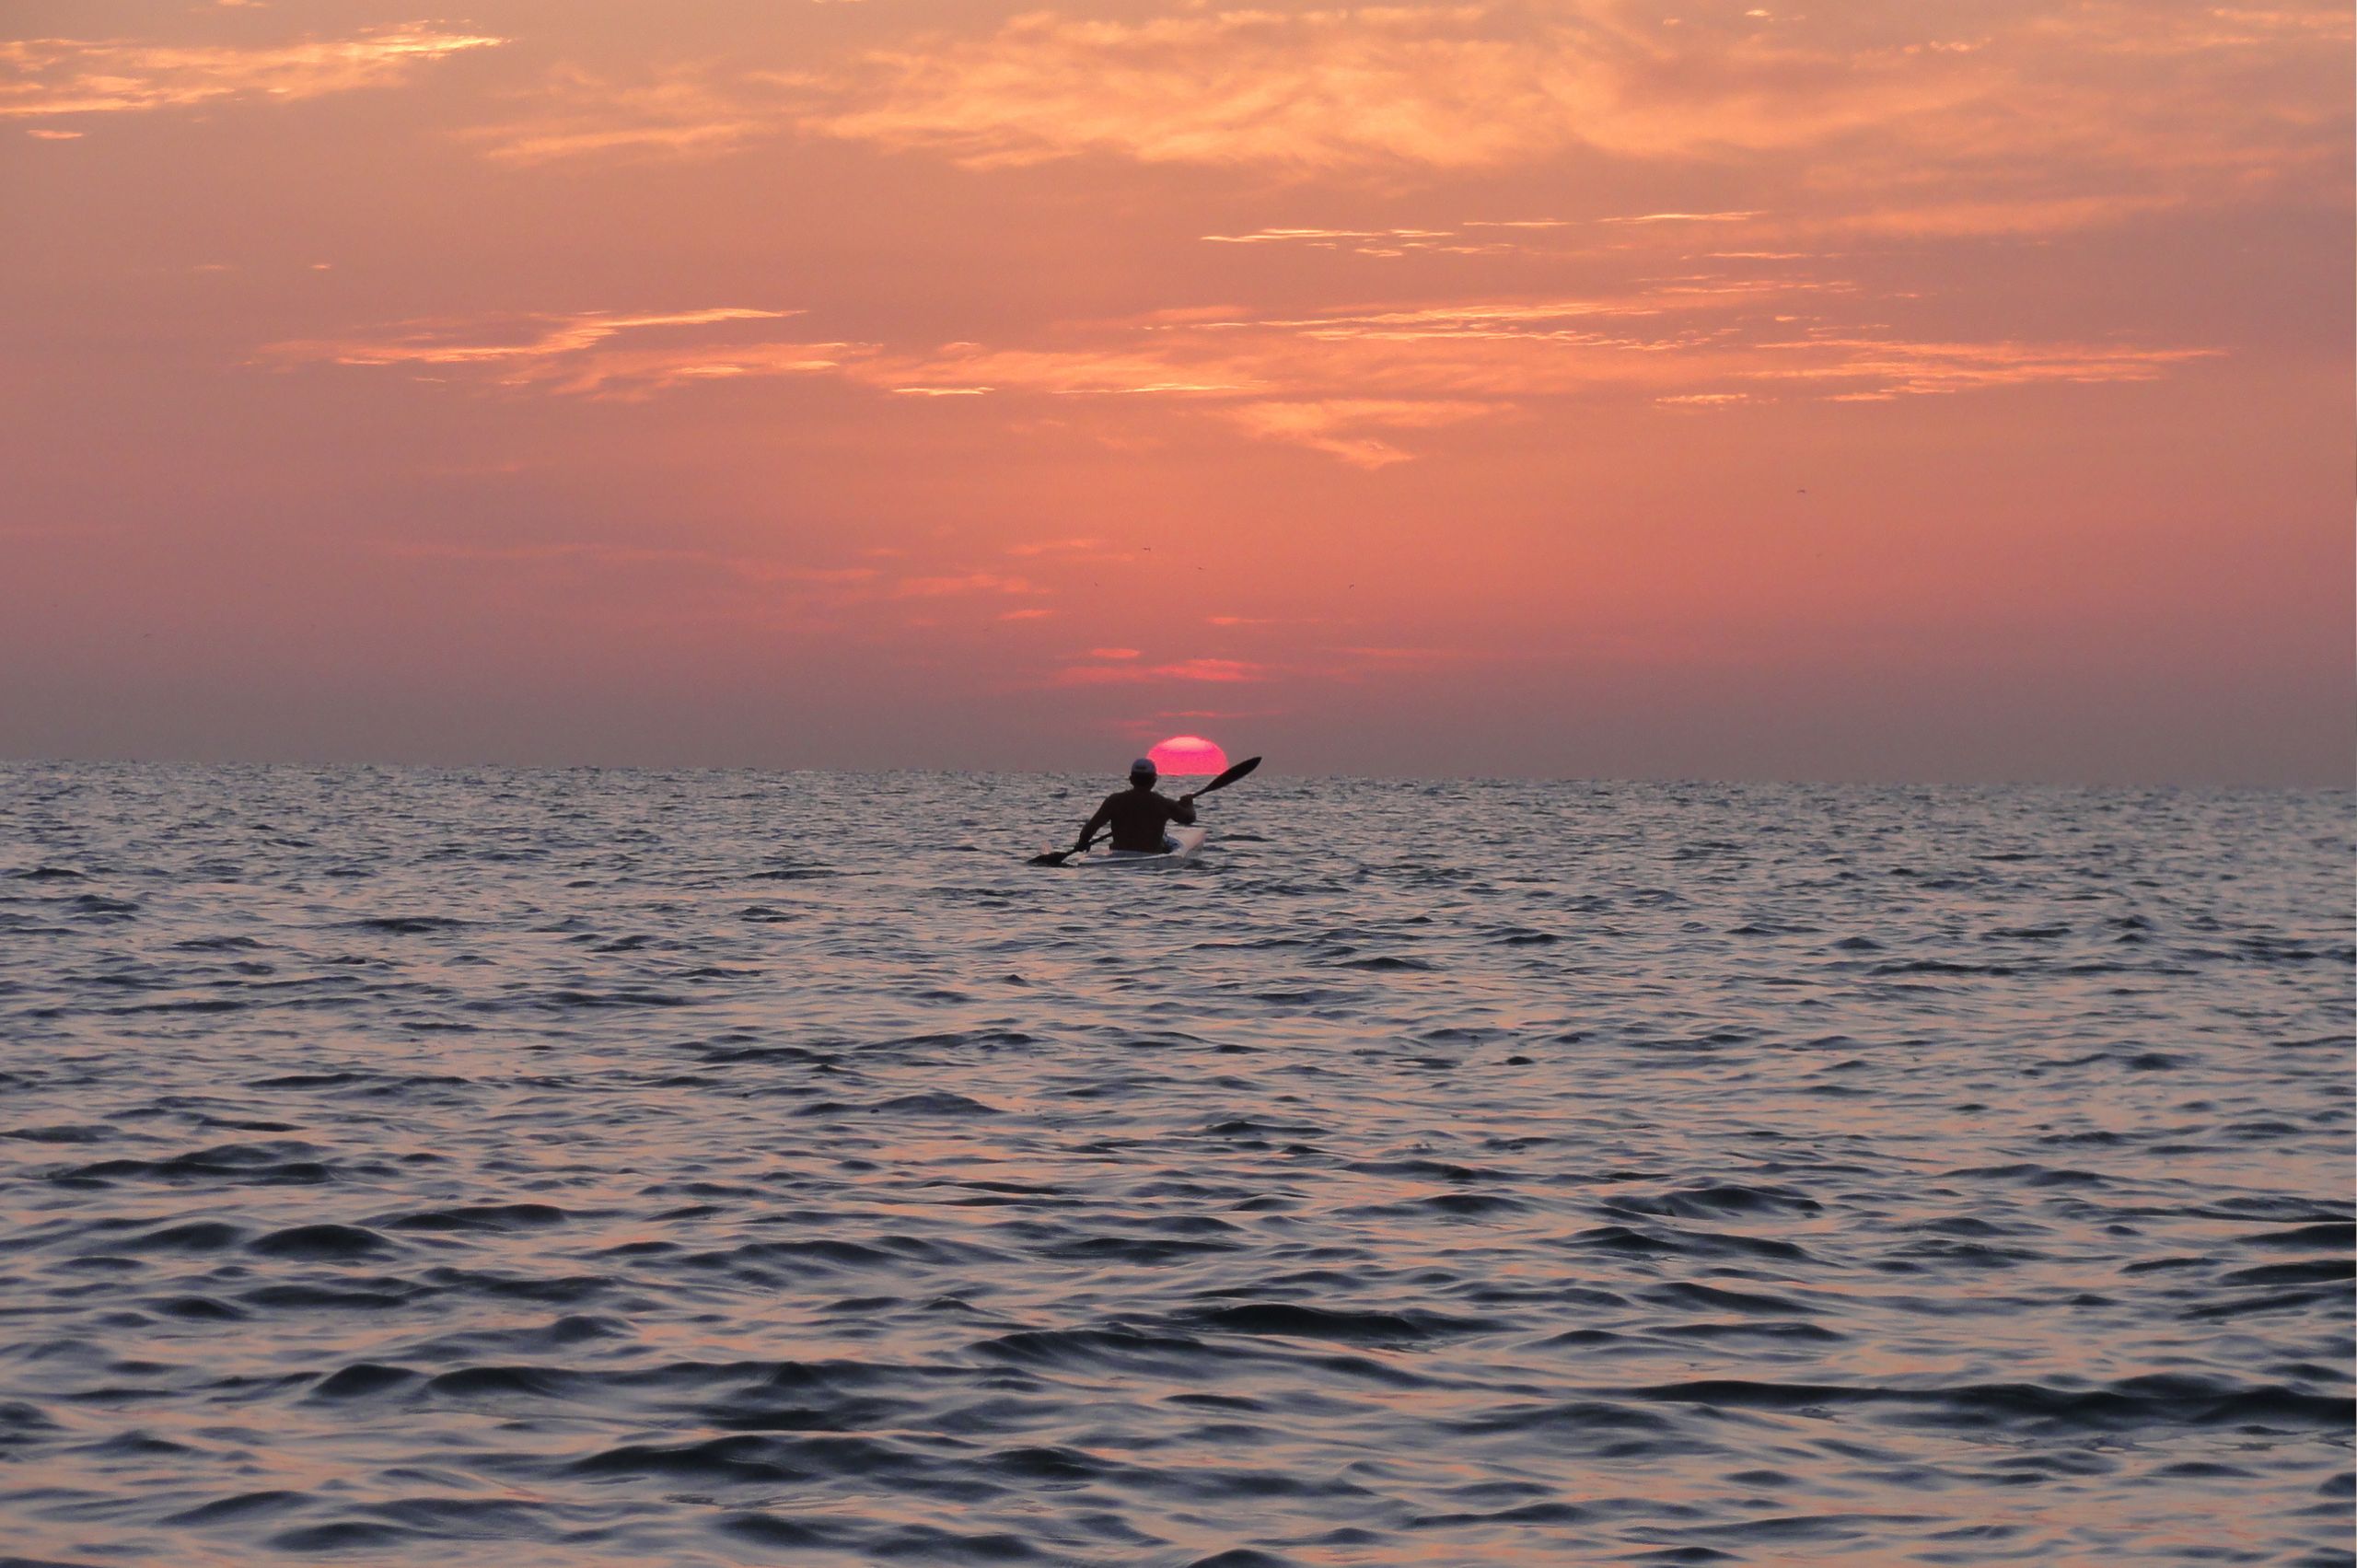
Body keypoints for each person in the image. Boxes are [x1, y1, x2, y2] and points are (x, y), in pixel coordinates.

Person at [1072, 758, 1197, 855]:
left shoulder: (1114, 801)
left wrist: (1083, 843)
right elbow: (1189, 818)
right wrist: (1189, 803)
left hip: (1118, 856)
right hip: (1150, 856)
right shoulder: (1163, 803)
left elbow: (1090, 829)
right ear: (1154, 780)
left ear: (1131, 779)